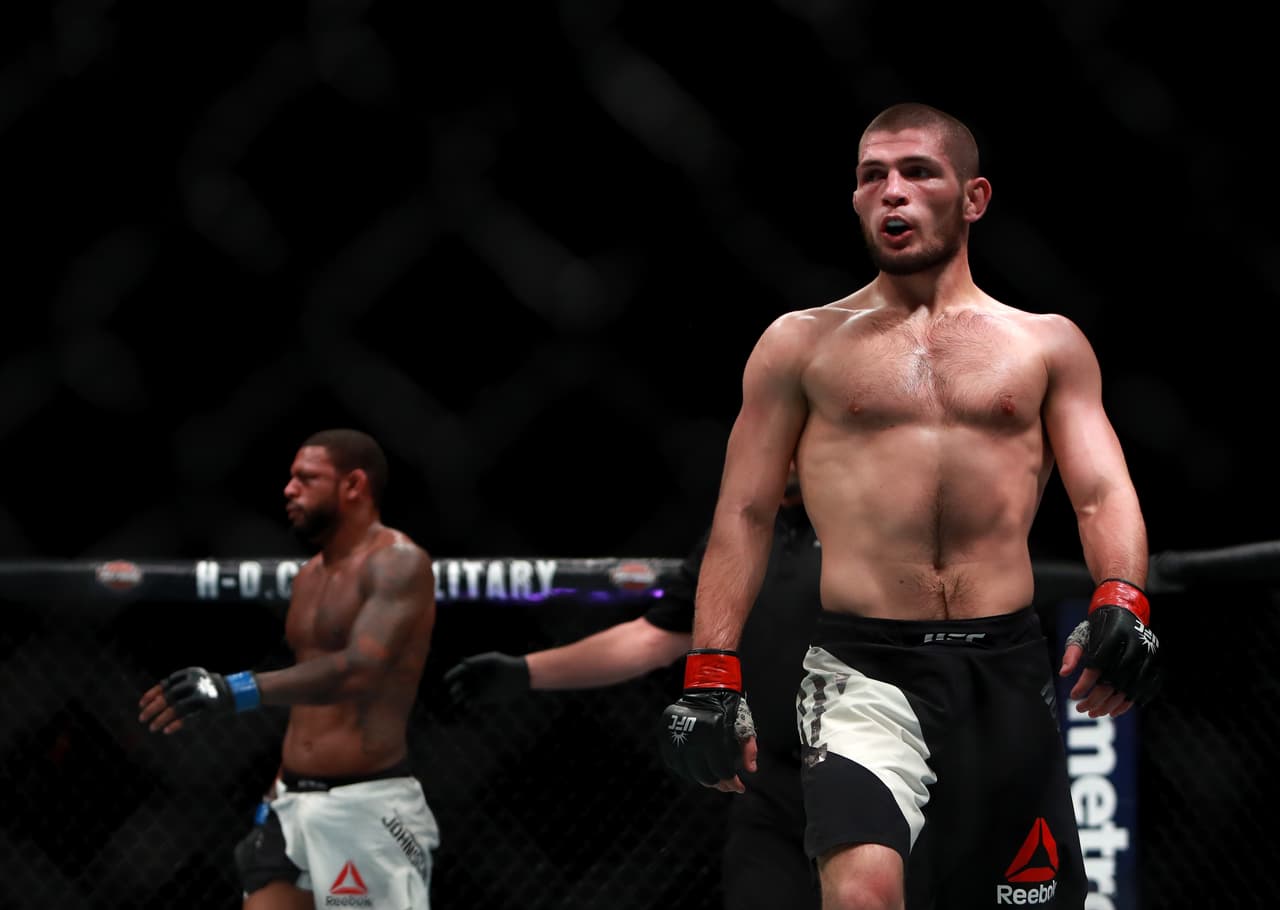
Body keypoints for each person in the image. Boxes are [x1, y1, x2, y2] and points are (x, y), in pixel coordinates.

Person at [657, 102, 1161, 910]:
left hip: (1007, 668)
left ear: (974, 197)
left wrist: (1124, 598)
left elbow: (1101, 492)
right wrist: (712, 671)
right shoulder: (800, 345)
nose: (892, 192)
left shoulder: (1046, 344)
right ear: (855, 201)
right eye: (871, 177)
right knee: (861, 892)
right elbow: (745, 514)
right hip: (863, 671)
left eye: (918, 172)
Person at [443, 465, 823, 910]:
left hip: (876, 768)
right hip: (769, 788)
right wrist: (527, 670)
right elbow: (653, 637)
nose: (783, 452)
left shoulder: (874, 520)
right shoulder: (738, 535)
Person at [138, 428, 441, 910]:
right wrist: (274, 795)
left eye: (306, 478)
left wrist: (233, 689)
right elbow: (309, 701)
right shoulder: (309, 578)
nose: (289, 489)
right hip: (291, 801)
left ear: (353, 485)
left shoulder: (399, 564)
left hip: (363, 805)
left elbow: (360, 670)